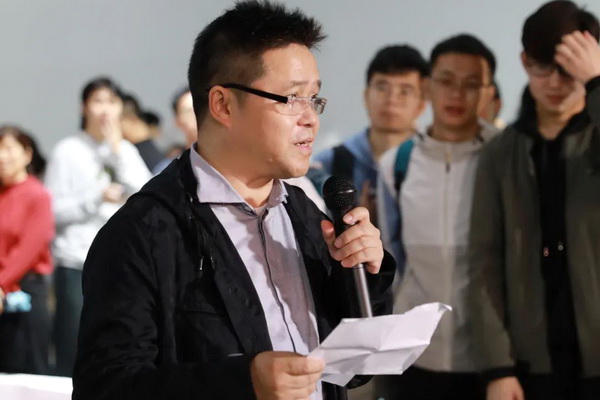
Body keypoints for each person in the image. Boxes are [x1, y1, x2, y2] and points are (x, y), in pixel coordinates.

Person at [72, 2, 395, 400]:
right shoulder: (143, 232)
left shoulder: (303, 214)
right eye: (291, 98)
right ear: (223, 104)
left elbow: (351, 372)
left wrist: (364, 275)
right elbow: (105, 388)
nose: (310, 117)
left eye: (314, 98)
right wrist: (243, 383)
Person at [469, 1, 600, 399]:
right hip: (532, 364)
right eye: (544, 68)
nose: (555, 83)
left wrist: (597, 82)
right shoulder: (500, 152)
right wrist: (498, 366)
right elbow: (484, 263)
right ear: (525, 61)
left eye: (568, 70)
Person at [375, 33, 498, 400]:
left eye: (471, 84)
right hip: (414, 354)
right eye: (446, 81)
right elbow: (391, 257)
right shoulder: (397, 163)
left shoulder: (504, 157)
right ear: (427, 87)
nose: (456, 94)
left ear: (488, 93)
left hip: (489, 355)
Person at [44, 77, 152, 377]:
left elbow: (148, 197)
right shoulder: (67, 151)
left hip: (120, 265)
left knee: (116, 348)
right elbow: (52, 212)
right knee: (72, 348)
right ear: (84, 107)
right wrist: (95, 198)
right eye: (98, 101)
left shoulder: (125, 151)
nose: (105, 109)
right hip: (75, 262)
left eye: (112, 102)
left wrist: (117, 150)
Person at [311, 45, 428, 227]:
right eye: (382, 87)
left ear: (421, 104)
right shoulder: (329, 163)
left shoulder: (434, 163)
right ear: (366, 96)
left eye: (405, 91)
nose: (392, 99)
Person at [0, 125, 54, 374]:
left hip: (24, 290)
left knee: (25, 373)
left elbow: (28, 250)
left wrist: (2, 283)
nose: (2, 156)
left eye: (9, 148)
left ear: (27, 154)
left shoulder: (37, 195)